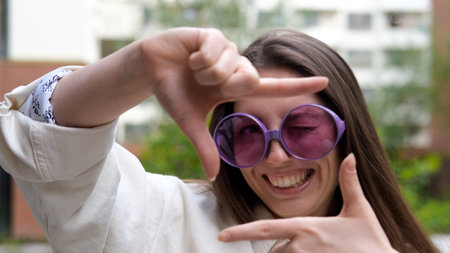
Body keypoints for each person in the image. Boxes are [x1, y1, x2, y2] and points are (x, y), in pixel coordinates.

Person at [0, 27, 437, 252]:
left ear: (347, 131)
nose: (278, 155)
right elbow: (49, 146)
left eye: (304, 127)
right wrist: (139, 65)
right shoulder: (169, 224)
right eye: (246, 133)